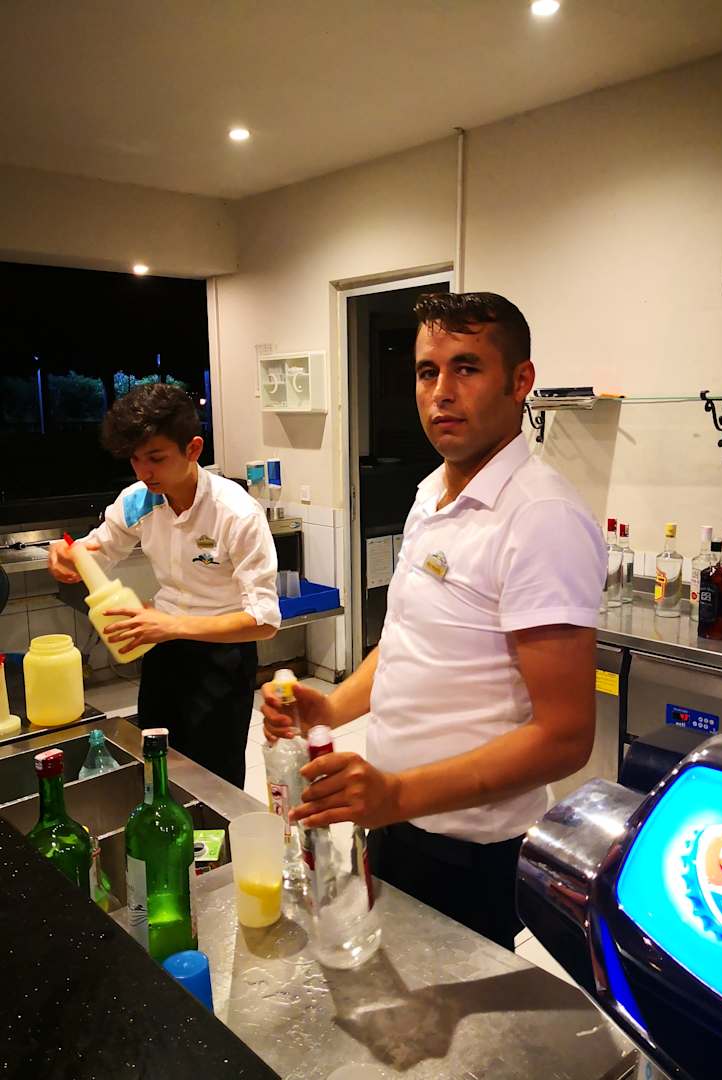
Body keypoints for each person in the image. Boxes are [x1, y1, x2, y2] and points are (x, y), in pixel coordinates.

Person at [262, 292, 605, 949]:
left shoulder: (541, 518)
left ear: (520, 381)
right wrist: (332, 708)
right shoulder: (432, 493)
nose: (441, 392)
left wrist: (397, 793)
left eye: (467, 368)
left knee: (456, 1016)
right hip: (398, 825)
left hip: (467, 853)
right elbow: (409, 642)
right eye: (427, 372)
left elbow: (565, 737)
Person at [48, 383, 280, 788]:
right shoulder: (138, 500)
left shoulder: (236, 513)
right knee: (157, 763)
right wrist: (67, 555)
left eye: (155, 458)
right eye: (135, 459)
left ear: (193, 449)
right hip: (162, 648)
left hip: (222, 655)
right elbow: (98, 550)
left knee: (215, 777)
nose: (144, 473)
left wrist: (171, 625)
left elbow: (264, 620)